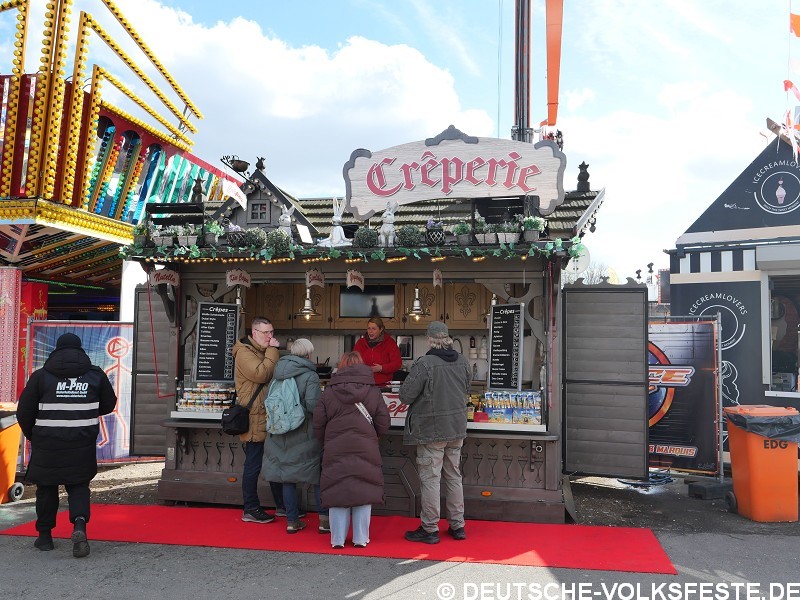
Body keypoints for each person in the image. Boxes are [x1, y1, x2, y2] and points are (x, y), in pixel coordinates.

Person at [16, 333, 117, 558]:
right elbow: (109, 405)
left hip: (47, 444)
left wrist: (33, 435)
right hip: (82, 442)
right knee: (79, 485)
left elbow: (24, 411)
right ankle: (79, 526)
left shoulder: (41, 376)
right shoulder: (95, 375)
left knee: (46, 487)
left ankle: (45, 538)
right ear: (80, 350)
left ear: (57, 350)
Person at [398, 321, 471, 544]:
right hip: (456, 428)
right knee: (454, 476)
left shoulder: (425, 364)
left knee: (431, 479)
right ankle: (458, 525)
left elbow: (405, 396)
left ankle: (430, 528)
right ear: (447, 338)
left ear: (430, 340)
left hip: (431, 430)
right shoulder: (463, 361)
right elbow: (466, 389)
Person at [313, 352, 389, 549]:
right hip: (365, 446)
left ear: (341, 366)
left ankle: (337, 539)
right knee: (364, 489)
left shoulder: (329, 392)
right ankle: (360, 538)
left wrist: (328, 440)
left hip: (335, 447)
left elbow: (318, 423)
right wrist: (372, 437)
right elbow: (383, 422)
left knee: (337, 489)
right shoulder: (373, 391)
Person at [262, 338, 328, 534]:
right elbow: (313, 406)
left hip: (279, 433)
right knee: (317, 476)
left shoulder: (277, 375)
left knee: (286, 477)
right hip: (304, 433)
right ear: (309, 354)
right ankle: (324, 521)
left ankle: (292, 521)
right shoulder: (310, 376)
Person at [231, 316, 285, 524]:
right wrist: (273, 350)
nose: (270, 336)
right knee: (253, 464)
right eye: (266, 333)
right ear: (254, 333)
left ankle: (282, 506)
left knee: (274, 462)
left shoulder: (261, 351)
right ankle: (251, 508)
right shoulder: (244, 352)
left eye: (271, 332)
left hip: (267, 416)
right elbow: (261, 374)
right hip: (254, 417)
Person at [353, 316, 402, 386]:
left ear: (381, 329)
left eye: (374, 329)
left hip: (384, 385)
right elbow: (353, 362)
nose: (370, 331)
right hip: (363, 384)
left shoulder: (390, 343)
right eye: (369, 328)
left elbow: (397, 364)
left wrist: (381, 368)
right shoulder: (360, 343)